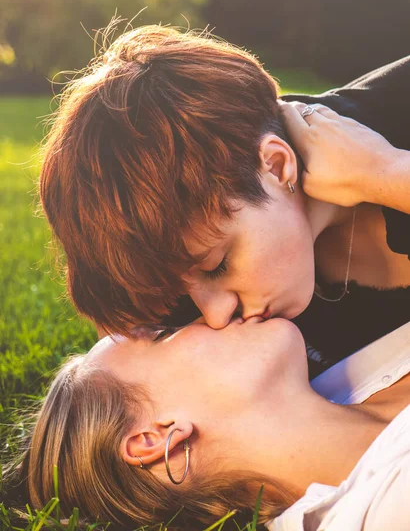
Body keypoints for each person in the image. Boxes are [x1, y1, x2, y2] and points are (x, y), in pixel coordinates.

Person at [39, 25, 410, 375]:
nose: (216, 317)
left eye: (218, 266)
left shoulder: (398, 112)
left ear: (278, 166)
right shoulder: (183, 254)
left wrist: (388, 175)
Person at [5, 317, 410, 530]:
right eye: (166, 335)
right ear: (156, 436)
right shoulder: (387, 510)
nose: (208, 314)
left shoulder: (348, 374)